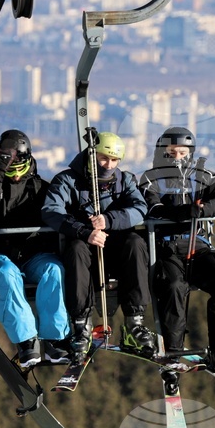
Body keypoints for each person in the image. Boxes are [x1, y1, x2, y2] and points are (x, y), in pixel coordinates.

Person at [139, 127, 215, 385]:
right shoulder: (150, 179)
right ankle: (173, 352)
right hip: (166, 245)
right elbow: (153, 208)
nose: (177, 157)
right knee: (173, 286)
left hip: (197, 245)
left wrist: (205, 208)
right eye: (171, 153)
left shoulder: (204, 177)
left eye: (182, 152)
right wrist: (185, 212)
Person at [42, 131, 155, 362]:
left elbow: (139, 208)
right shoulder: (68, 180)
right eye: (103, 158)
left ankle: (134, 321)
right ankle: (81, 325)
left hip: (114, 248)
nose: (109, 165)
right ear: (92, 156)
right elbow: (51, 211)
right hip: (83, 247)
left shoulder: (125, 181)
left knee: (135, 243)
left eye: (114, 160)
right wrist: (84, 231)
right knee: (75, 248)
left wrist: (110, 220)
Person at [0, 129, 70, 368]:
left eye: (15, 161)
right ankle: (26, 342)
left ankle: (54, 339)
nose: (12, 168)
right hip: (1, 256)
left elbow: (58, 213)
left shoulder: (41, 189)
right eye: (6, 160)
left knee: (54, 270)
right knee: (4, 273)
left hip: (34, 256)